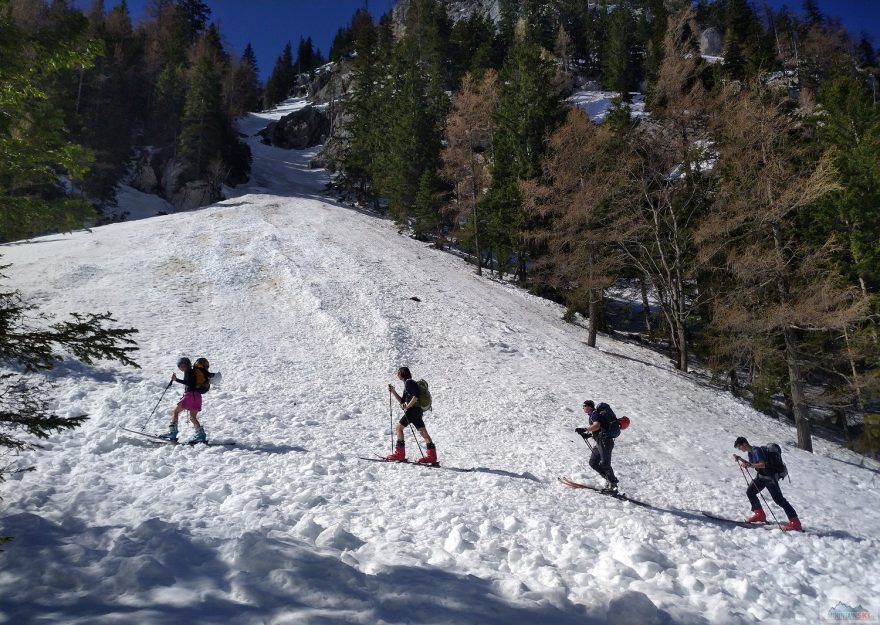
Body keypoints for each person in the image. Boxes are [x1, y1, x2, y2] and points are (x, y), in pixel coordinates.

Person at [733, 436, 801, 531]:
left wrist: (750, 465)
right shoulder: (750, 452)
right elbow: (752, 464)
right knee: (750, 492)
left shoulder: (756, 450)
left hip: (770, 478)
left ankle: (795, 522)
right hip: (761, 477)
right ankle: (759, 514)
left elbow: (762, 464)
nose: (740, 449)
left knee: (779, 500)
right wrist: (740, 458)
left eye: (740, 447)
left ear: (744, 444)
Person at [386, 367, 437, 464]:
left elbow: (416, 396)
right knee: (423, 432)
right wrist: (393, 391)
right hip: (417, 411)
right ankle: (432, 457)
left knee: (398, 428)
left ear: (402, 374)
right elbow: (402, 400)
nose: (397, 375)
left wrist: (407, 406)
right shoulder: (408, 384)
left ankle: (399, 454)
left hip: (413, 410)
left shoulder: (409, 383)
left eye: (398, 373)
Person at [159, 357, 207, 443]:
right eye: (179, 366)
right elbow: (191, 383)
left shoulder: (188, 371)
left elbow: (189, 383)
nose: (180, 367)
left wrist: (176, 379)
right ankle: (201, 435)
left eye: (181, 365)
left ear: (185, 364)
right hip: (197, 397)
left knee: (175, 412)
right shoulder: (193, 372)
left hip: (190, 396)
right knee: (193, 418)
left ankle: (172, 433)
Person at [575, 400, 619, 492]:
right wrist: (589, 435)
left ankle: (613, 485)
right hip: (600, 441)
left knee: (605, 463)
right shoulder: (593, 415)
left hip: (605, 442)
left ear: (589, 406)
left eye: (584, 406)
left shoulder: (595, 414)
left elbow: (597, 426)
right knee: (593, 462)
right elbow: (600, 429)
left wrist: (585, 429)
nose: (583, 407)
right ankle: (608, 480)